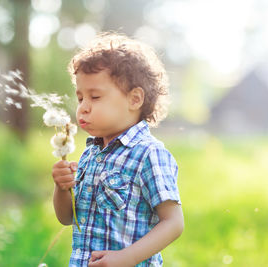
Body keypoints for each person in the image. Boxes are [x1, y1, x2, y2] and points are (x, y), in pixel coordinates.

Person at [51, 32, 184, 267]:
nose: (83, 108)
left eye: (95, 96)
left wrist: (127, 257)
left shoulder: (149, 154)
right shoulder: (89, 154)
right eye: (80, 98)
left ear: (134, 99)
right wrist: (62, 189)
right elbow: (68, 218)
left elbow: (173, 223)